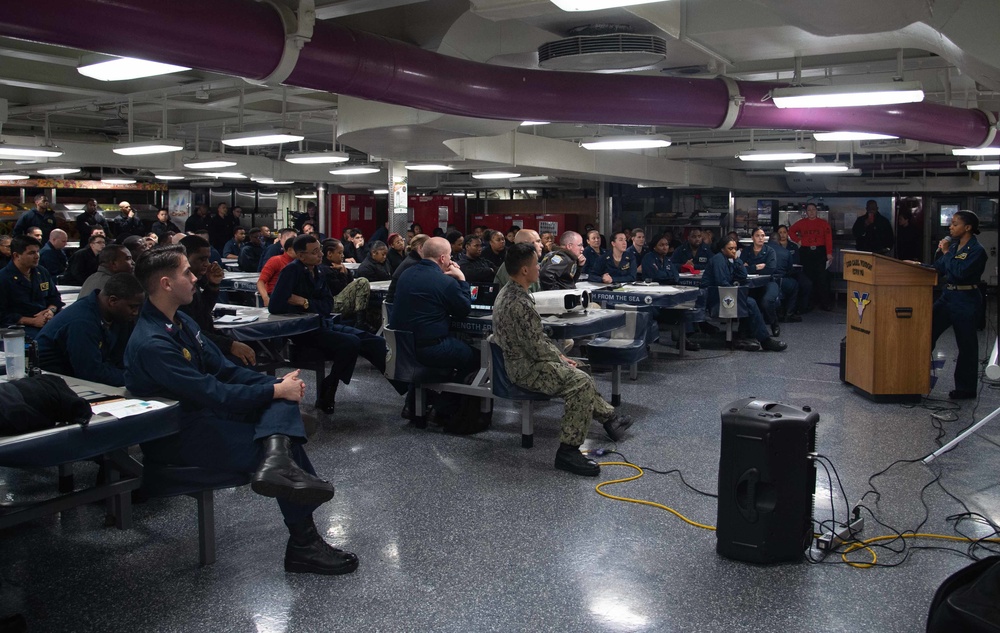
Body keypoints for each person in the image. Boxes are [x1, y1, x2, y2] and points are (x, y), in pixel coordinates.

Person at [125, 245, 357, 576]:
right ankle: (302, 540)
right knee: (283, 427)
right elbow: (213, 393)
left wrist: (274, 386)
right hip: (179, 435)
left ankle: (279, 463)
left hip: (207, 417)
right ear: (165, 284)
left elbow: (225, 370)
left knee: (279, 407)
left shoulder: (182, 322)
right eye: (187, 273)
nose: (195, 278)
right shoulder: (152, 342)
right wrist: (275, 390)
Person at [493, 244, 633, 476]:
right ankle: (568, 452)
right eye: (536, 263)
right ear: (525, 270)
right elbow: (536, 346)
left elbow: (536, 340)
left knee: (580, 369)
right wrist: (560, 359)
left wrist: (559, 356)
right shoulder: (518, 302)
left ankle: (610, 420)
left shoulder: (511, 291)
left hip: (525, 360)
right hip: (525, 368)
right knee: (580, 382)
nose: (539, 267)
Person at [269, 234, 388, 414]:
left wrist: (305, 302)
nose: (320, 255)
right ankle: (331, 386)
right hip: (303, 329)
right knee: (350, 342)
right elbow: (275, 306)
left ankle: (408, 390)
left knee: (375, 342)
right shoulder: (291, 271)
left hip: (323, 322)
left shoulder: (318, 271)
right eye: (315, 252)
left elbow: (327, 305)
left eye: (320, 250)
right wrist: (308, 306)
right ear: (301, 255)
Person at [388, 236, 479, 383]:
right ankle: (447, 402)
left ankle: (418, 401)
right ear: (443, 258)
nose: (451, 260)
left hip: (403, 347)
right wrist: (461, 280)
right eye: (450, 256)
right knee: (477, 358)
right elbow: (463, 310)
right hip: (431, 349)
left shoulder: (406, 274)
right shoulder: (446, 282)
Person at [36, 272, 144, 386]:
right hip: (51, 380)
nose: (136, 312)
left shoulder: (119, 317)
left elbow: (120, 360)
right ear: (112, 301)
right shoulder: (82, 321)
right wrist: (136, 380)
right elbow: (91, 373)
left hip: (77, 377)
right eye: (132, 307)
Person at [928, 211, 988, 400]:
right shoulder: (954, 248)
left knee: (966, 344)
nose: (950, 227)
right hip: (948, 297)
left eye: (955, 224)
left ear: (968, 227)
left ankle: (965, 388)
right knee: (926, 332)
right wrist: (916, 265)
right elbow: (939, 267)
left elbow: (959, 272)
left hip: (966, 299)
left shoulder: (977, 251)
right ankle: (914, 377)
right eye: (951, 224)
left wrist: (945, 252)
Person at [178, 235, 257, 367]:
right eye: (201, 259)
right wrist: (229, 345)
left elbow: (202, 313)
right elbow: (188, 331)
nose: (207, 264)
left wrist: (213, 285)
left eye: (208, 259)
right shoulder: (179, 288)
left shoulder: (195, 282)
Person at [702, 236, 786, 352]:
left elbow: (743, 275)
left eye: (735, 248)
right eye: (730, 248)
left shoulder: (728, 260)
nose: (733, 251)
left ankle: (753, 336)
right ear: (722, 249)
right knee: (750, 302)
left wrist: (737, 259)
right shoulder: (718, 259)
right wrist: (737, 293)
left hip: (725, 294)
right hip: (715, 297)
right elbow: (722, 282)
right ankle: (764, 340)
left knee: (750, 301)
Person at [0, 236, 63, 338]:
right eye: (31, 253)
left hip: (47, 320)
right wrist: (32, 321)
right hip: (19, 327)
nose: (37, 256)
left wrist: (51, 311)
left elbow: (54, 297)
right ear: (16, 256)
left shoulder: (42, 272)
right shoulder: (4, 278)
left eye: (37, 252)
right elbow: (2, 314)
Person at [789, 203, 834, 311]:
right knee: (808, 278)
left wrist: (829, 253)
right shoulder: (802, 223)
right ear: (806, 212)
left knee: (822, 278)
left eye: (813, 209)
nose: (811, 212)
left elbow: (828, 238)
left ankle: (825, 303)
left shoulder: (823, 223)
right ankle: (809, 303)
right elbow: (791, 231)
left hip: (820, 251)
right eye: (809, 210)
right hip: (806, 252)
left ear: (816, 211)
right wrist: (798, 240)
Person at [322, 239, 375, 329]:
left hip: (342, 301)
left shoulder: (339, 266)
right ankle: (360, 323)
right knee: (362, 282)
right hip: (332, 304)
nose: (342, 256)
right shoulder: (324, 269)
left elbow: (350, 283)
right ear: (329, 254)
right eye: (339, 253)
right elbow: (340, 288)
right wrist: (342, 273)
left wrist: (345, 270)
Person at [740, 227, 782, 336]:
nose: (760, 238)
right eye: (757, 236)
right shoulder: (746, 251)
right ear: (752, 238)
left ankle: (774, 323)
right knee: (747, 300)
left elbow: (770, 269)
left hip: (768, 282)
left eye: (762, 236)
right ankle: (745, 326)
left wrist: (749, 267)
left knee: (766, 301)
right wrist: (756, 267)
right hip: (750, 283)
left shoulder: (769, 251)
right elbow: (740, 269)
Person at [771, 225, 805, 322]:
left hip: (766, 279)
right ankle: (789, 314)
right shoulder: (785, 252)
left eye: (784, 232)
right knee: (794, 286)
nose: (783, 235)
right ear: (778, 239)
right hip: (782, 279)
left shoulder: (763, 249)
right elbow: (790, 269)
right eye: (780, 233)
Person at [385, 233, 428, 304]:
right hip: (396, 305)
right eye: (398, 242)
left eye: (402, 240)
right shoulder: (414, 264)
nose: (401, 243)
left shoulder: (410, 257)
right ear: (420, 248)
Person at [257, 236, 297, 307]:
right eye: (299, 249)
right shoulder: (276, 260)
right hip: (274, 298)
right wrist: (266, 299)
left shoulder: (301, 263)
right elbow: (261, 282)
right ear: (290, 250)